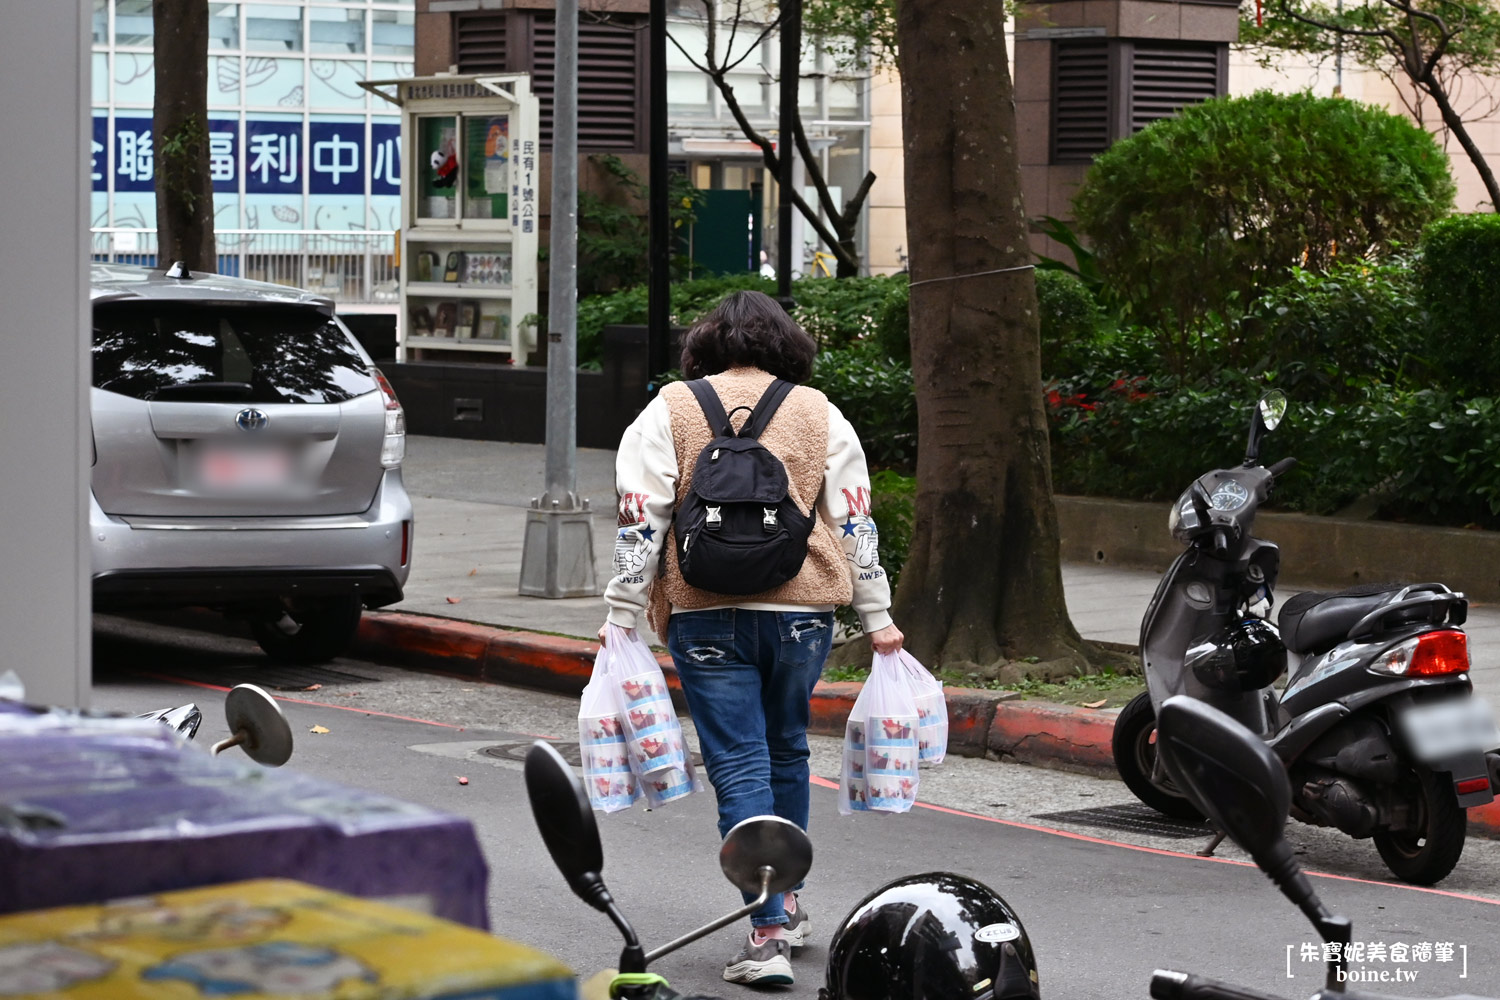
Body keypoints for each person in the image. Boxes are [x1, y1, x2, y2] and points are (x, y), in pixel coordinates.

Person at [600, 289, 903, 987]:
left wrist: (621, 615)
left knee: (737, 761)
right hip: (801, 613)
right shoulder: (818, 412)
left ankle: (765, 931)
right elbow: (855, 522)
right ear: (784, 345)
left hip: (704, 612)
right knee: (788, 746)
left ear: (704, 345)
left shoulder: (670, 409)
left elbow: (639, 519)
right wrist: (878, 616)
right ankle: (786, 906)